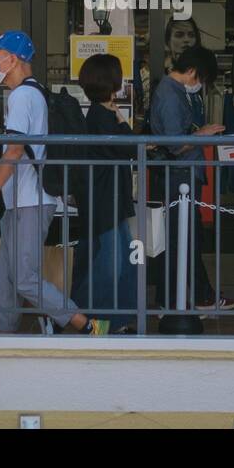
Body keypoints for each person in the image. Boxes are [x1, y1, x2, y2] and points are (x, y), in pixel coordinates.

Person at [0, 30, 110, 335]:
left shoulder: (23, 96)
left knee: (23, 277)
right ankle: (4, 338)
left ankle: (85, 324)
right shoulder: (29, 93)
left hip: (31, 201)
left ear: (14, 58)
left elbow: (15, 151)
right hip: (20, 200)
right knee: (5, 277)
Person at [148, 45, 234, 312]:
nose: (202, 86)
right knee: (183, 240)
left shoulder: (172, 91)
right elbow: (175, 143)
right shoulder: (171, 95)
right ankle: (192, 297)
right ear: (192, 72)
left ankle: (188, 296)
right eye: (203, 80)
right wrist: (203, 134)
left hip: (181, 174)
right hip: (179, 176)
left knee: (183, 239)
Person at [73, 53, 139, 331]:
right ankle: (71, 313)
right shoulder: (102, 116)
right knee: (112, 265)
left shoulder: (99, 113)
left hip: (108, 198)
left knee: (123, 263)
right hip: (106, 199)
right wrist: (122, 119)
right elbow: (131, 146)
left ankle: (118, 321)